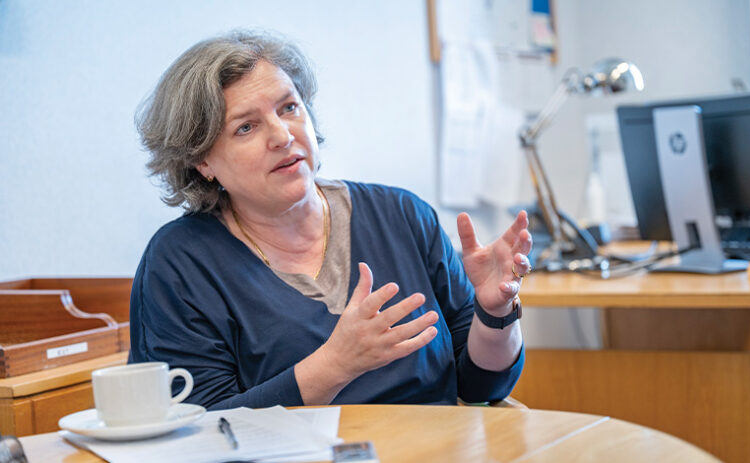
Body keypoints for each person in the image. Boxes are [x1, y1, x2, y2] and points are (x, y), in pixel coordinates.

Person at [129, 31, 532, 410]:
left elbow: (481, 387)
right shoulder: (180, 263)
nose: (283, 136)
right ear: (201, 161)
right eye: (246, 127)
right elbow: (201, 429)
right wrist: (335, 365)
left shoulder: (403, 215)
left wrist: (494, 313)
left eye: (289, 108)